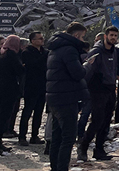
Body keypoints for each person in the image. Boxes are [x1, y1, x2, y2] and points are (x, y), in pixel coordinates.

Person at [47, 22, 89, 171]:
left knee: (57, 137)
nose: (83, 40)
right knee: (68, 137)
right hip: (67, 97)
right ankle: (62, 167)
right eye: (82, 37)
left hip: (55, 97)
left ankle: (55, 167)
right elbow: (77, 73)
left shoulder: (55, 48)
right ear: (76, 35)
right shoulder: (70, 50)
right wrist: (86, 65)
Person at [77, 26, 119, 162]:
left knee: (106, 121)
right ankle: (83, 148)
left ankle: (99, 150)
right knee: (97, 121)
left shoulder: (114, 52)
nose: (113, 38)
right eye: (111, 35)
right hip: (97, 90)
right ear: (105, 36)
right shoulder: (97, 52)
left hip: (110, 89)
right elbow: (87, 71)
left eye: (115, 35)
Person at [0, 35, 25, 155]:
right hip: (9, 89)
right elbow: (19, 70)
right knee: (4, 116)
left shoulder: (0, 53)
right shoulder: (12, 55)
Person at [18, 31, 48, 146]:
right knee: (27, 111)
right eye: (39, 38)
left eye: (42, 38)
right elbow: (32, 65)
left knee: (39, 112)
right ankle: (22, 136)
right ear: (33, 41)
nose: (42, 40)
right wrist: (43, 58)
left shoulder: (45, 52)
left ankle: (34, 136)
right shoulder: (27, 52)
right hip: (31, 85)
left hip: (42, 85)